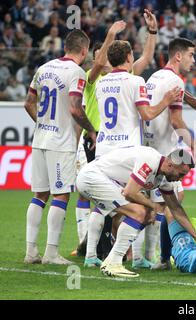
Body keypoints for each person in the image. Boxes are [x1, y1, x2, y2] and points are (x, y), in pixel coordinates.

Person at [82, 39, 181, 268]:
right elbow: (146, 114)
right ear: (128, 58)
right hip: (126, 149)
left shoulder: (101, 83)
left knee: (103, 204)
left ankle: (89, 255)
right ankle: (136, 259)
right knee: (141, 201)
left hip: (105, 146)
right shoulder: (136, 81)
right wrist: (166, 101)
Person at [73, 10, 160, 258]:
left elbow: (147, 56)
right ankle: (99, 249)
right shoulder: (92, 80)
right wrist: (111, 34)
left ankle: (103, 251)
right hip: (106, 144)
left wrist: (152, 32)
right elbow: (100, 63)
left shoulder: (111, 80)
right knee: (115, 202)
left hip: (104, 145)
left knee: (109, 204)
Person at [23, 29, 96, 265]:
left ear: (66, 47)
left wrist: (44, 123)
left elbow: (28, 103)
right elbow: (75, 108)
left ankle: (31, 252)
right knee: (61, 195)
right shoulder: (76, 72)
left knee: (39, 195)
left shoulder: (43, 68)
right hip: (61, 143)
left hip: (40, 139)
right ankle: (51, 253)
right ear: (84, 50)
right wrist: (92, 130)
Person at [76, 146, 196, 278]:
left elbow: (176, 209)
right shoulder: (150, 160)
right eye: (181, 174)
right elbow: (130, 192)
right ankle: (114, 261)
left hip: (101, 179)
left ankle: (112, 259)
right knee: (139, 212)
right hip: (91, 177)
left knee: (145, 213)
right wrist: (153, 206)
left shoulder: (164, 178)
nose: (181, 179)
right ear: (170, 164)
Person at [140, 38, 196, 270]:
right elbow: (176, 120)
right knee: (166, 205)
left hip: (147, 149)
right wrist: (195, 147)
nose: (194, 60)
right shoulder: (175, 81)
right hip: (165, 156)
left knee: (156, 205)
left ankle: (149, 257)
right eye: (191, 55)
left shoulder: (153, 77)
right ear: (178, 56)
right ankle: (155, 257)